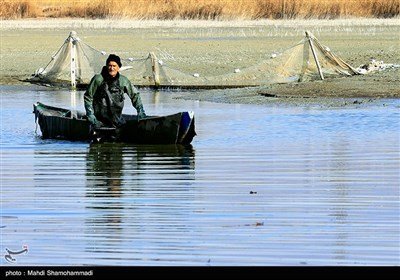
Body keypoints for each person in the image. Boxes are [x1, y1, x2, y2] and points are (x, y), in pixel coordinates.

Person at [84, 54, 146, 129]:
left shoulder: (123, 81)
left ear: (118, 67)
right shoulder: (98, 79)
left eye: (114, 66)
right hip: (98, 121)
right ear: (106, 66)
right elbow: (88, 97)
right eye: (110, 65)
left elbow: (135, 95)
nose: (112, 68)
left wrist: (140, 111)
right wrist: (90, 115)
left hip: (117, 120)